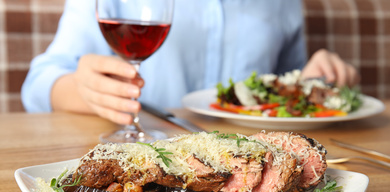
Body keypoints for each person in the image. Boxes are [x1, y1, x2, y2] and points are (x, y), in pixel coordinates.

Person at [21, 0, 359, 126]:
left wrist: (314, 78)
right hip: (153, 144)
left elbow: (282, 85)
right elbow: (38, 84)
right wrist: (86, 91)